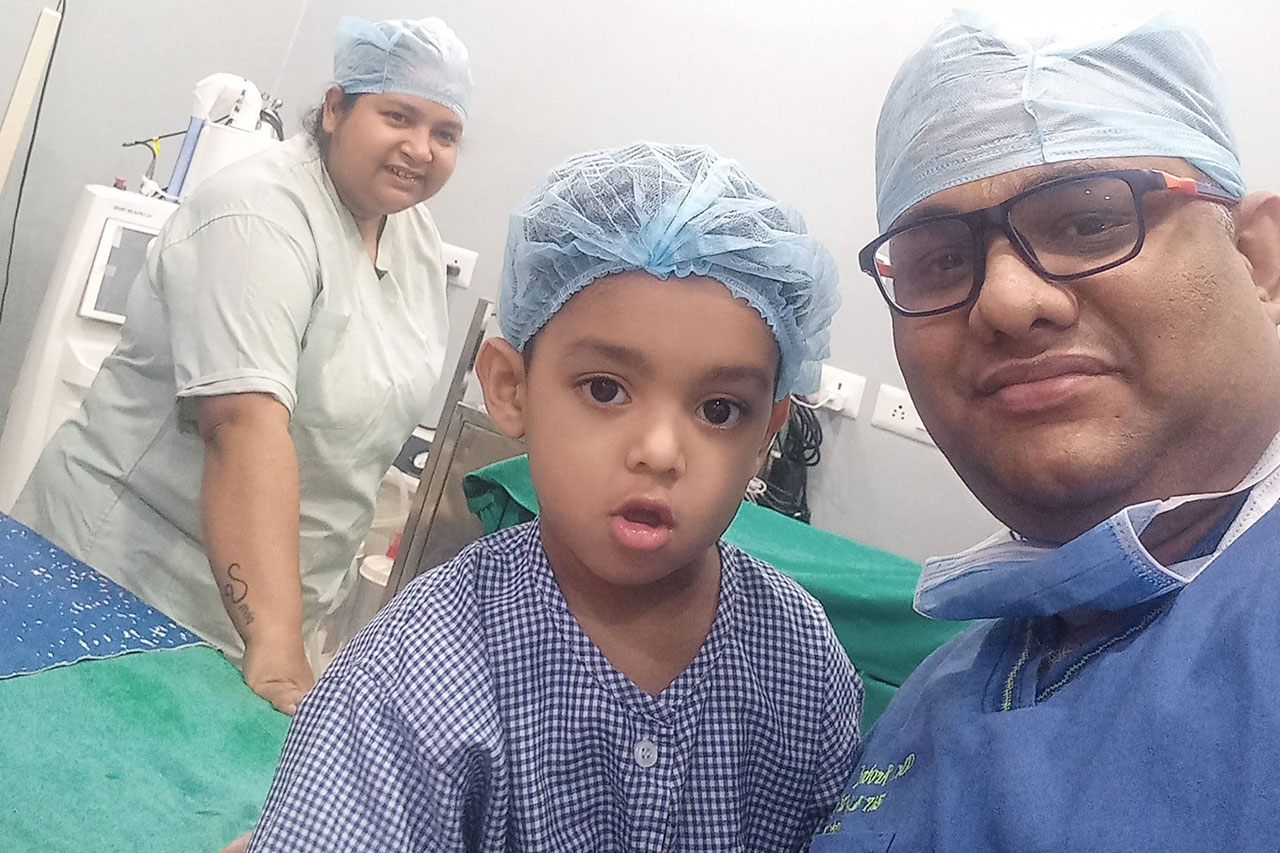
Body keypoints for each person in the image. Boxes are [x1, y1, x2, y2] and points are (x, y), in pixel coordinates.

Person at [239, 142, 861, 852]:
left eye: (719, 410)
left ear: (765, 437)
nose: (660, 451)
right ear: (511, 389)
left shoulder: (800, 660)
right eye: (606, 390)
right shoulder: (417, 676)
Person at [812, 10, 1280, 851]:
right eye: (939, 258)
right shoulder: (946, 692)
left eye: (1090, 219)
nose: (1006, 299)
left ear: (1261, 262)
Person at [11, 15, 472, 714]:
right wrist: (279, 650)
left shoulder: (414, 238)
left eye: (445, 132)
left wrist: (294, 629)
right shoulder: (257, 215)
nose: (420, 148)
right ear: (336, 108)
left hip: (262, 609)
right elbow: (242, 426)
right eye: (398, 116)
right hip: (121, 581)